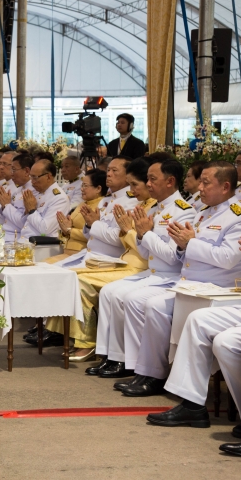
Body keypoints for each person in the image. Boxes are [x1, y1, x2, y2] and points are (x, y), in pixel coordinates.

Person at [145, 166, 241, 442]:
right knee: (199, 321)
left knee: (231, 341)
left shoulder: (240, 217)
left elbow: (231, 260)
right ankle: (193, 405)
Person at [117, 161, 241, 396]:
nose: (199, 187)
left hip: (219, 289)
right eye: (200, 181)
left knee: (154, 305)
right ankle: (149, 372)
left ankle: (156, 376)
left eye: (206, 182)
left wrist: (190, 243)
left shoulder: (240, 218)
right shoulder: (203, 213)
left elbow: (228, 258)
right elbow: (181, 255)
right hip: (191, 285)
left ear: (225, 186)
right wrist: (183, 246)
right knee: (154, 306)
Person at [86, 159, 196, 374]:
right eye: (148, 179)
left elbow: (173, 257)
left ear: (170, 181)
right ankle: (113, 356)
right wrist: (141, 235)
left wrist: (145, 234)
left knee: (129, 298)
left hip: (169, 276)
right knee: (109, 292)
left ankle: (136, 365)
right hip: (153, 272)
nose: (148, 184)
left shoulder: (184, 211)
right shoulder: (156, 208)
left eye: (153, 179)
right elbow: (146, 252)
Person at [39, 159, 157, 356]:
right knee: (58, 274)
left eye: (114, 170)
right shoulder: (107, 200)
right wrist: (88, 226)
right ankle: (60, 330)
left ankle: (85, 341)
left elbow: (117, 237)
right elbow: (93, 233)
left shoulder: (131, 202)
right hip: (95, 255)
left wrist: (94, 225)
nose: (109, 173)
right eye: (108, 170)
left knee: (75, 280)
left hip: (112, 258)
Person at [53, 169, 107, 257]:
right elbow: (68, 229)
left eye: (85, 186)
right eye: (82, 185)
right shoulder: (82, 204)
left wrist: (70, 230)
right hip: (67, 251)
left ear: (98, 188)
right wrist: (65, 230)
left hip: (83, 253)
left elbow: (95, 235)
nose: (81, 189)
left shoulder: (101, 206)